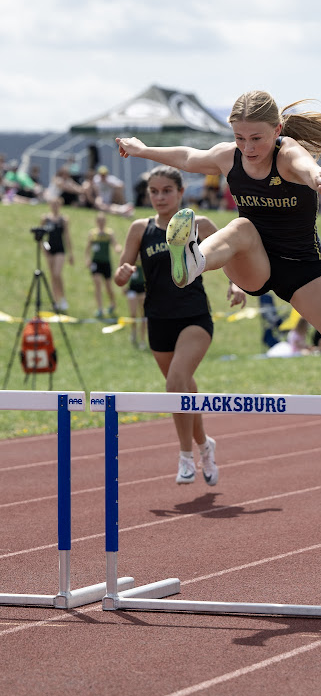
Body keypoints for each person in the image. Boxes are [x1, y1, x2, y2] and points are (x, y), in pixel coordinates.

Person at [116, 90, 321, 377]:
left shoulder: (287, 153)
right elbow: (188, 157)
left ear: (277, 130)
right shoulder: (228, 157)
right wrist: (142, 149)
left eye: (256, 138)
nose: (248, 147)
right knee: (242, 227)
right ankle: (193, 261)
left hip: (302, 269)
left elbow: (304, 164)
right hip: (254, 260)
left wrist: (317, 175)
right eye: (240, 138)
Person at [114, 165, 246, 486]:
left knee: (176, 382)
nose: (160, 197)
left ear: (181, 192)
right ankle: (205, 445)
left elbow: (230, 255)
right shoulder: (139, 229)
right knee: (183, 391)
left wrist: (236, 284)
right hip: (157, 320)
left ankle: (185, 457)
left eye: (166, 191)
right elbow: (125, 267)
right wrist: (122, 273)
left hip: (194, 317)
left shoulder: (198, 224)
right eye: (154, 192)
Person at [86, 212, 122, 318]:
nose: (101, 223)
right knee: (97, 284)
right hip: (96, 262)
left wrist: (118, 248)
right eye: (99, 221)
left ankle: (112, 303)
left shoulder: (109, 233)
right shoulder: (92, 234)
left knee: (108, 286)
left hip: (106, 262)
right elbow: (87, 248)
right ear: (97, 222)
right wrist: (87, 259)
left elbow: (115, 244)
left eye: (103, 221)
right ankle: (100, 308)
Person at [41, 197, 74, 312]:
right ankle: (55, 301)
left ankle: (62, 298)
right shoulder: (46, 218)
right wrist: (43, 247)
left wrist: (71, 253)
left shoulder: (63, 219)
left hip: (60, 249)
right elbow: (41, 235)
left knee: (57, 273)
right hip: (50, 249)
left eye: (56, 204)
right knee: (52, 276)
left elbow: (67, 236)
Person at [125, 262, 147, 348]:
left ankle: (142, 339)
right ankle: (134, 332)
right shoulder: (132, 255)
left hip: (143, 287)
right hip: (132, 287)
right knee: (133, 314)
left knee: (143, 315)